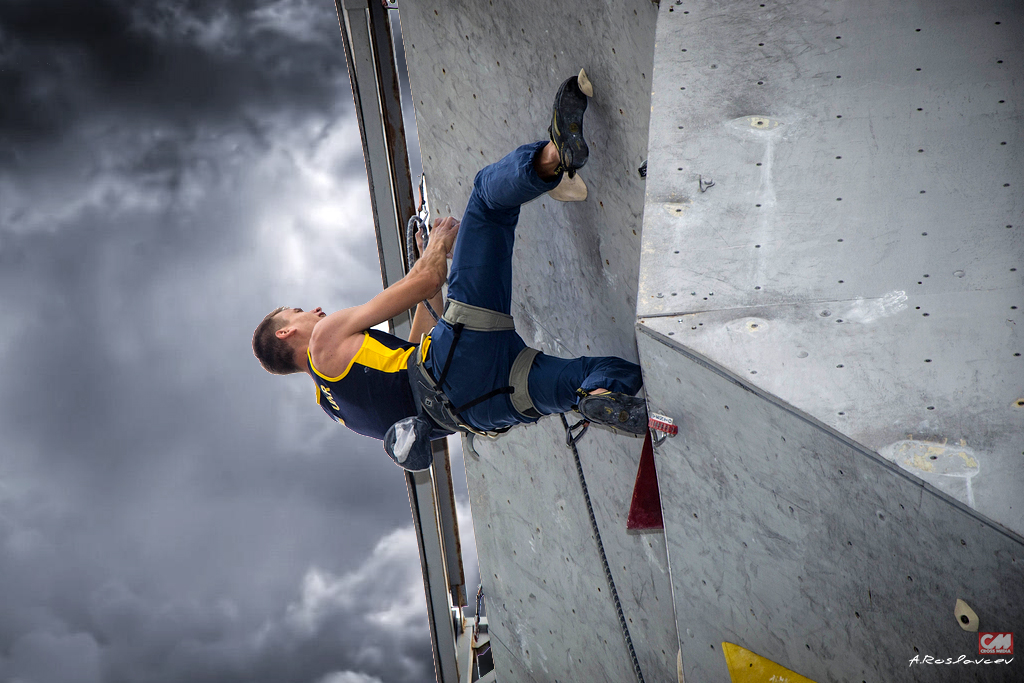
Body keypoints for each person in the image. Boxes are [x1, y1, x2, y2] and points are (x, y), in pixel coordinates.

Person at [252, 73, 647, 469]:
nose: (315, 311)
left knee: (591, 376)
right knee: (487, 202)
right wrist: (438, 246)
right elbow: (427, 281)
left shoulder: (334, 406)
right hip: (455, 358)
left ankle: (598, 398)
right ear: (286, 331)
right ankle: (554, 157)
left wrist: (425, 261)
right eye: (298, 310)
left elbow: (413, 348)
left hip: (481, 409)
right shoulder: (323, 339)